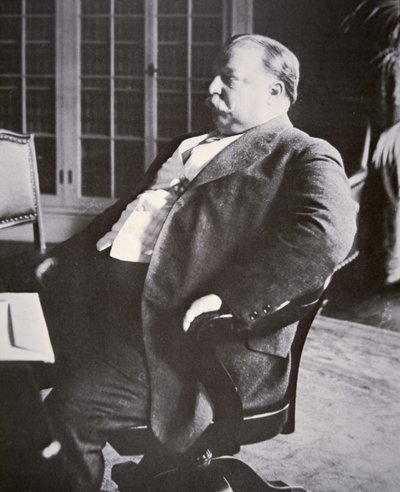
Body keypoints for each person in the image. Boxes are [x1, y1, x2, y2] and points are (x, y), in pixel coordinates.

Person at [32, 34, 357, 490]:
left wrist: (228, 297)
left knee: (68, 411)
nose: (210, 88)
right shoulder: (187, 143)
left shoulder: (303, 153)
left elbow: (326, 234)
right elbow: (127, 213)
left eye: (228, 79)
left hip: (186, 340)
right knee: (16, 364)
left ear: (275, 91)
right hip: (109, 307)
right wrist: (62, 259)